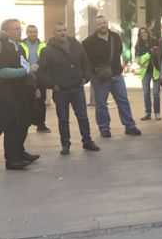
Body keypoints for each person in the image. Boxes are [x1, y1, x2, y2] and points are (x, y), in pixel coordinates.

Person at [37, 22, 98, 155]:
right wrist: (52, 84)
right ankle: (65, 144)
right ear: (54, 33)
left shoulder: (76, 45)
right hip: (60, 91)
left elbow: (85, 63)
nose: (62, 33)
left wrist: (85, 77)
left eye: (64, 30)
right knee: (63, 119)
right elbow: (41, 71)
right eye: (59, 31)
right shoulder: (48, 50)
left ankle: (87, 141)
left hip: (77, 87)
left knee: (82, 116)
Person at [82, 15, 141, 138]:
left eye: (104, 23)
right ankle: (104, 128)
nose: (102, 25)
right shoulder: (88, 42)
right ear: (96, 26)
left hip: (116, 75)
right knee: (101, 103)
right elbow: (85, 60)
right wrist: (94, 72)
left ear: (107, 23)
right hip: (99, 77)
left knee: (123, 100)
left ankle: (130, 126)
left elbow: (118, 51)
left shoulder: (115, 37)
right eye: (100, 24)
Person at [0, 21, 40, 170]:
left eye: (19, 28)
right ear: (5, 31)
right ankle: (12, 159)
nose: (19, 31)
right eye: (15, 29)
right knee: (13, 126)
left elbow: (26, 66)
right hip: (9, 94)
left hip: (23, 93)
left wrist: (33, 86)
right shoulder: (3, 48)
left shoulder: (20, 47)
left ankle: (19, 152)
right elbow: (2, 72)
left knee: (24, 123)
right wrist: (26, 72)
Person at [20, 24, 51, 133]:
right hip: (26, 75)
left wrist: (38, 66)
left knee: (41, 101)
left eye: (34, 32)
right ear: (27, 33)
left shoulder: (43, 45)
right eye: (30, 32)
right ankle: (25, 126)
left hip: (40, 75)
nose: (32, 34)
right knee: (26, 100)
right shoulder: (21, 45)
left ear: (37, 33)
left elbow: (46, 59)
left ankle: (41, 125)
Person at [134, 27, 162, 121]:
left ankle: (157, 113)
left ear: (148, 32)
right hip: (145, 72)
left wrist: (156, 51)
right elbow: (139, 61)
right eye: (141, 33)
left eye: (144, 32)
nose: (143, 34)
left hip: (156, 71)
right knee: (146, 93)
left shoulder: (155, 41)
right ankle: (147, 113)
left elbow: (160, 54)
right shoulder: (138, 45)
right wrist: (149, 53)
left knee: (156, 93)